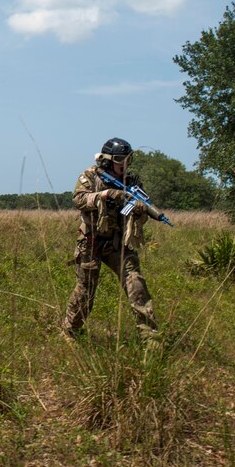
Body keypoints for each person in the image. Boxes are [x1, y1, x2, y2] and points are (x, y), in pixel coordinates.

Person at [62, 137, 159, 342]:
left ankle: (150, 337)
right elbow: (79, 200)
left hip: (119, 243)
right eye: (119, 160)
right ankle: (70, 331)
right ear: (107, 160)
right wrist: (106, 195)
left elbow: (132, 210)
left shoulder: (132, 182)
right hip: (91, 241)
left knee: (136, 283)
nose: (124, 164)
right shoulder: (90, 176)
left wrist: (139, 209)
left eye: (127, 159)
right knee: (86, 289)